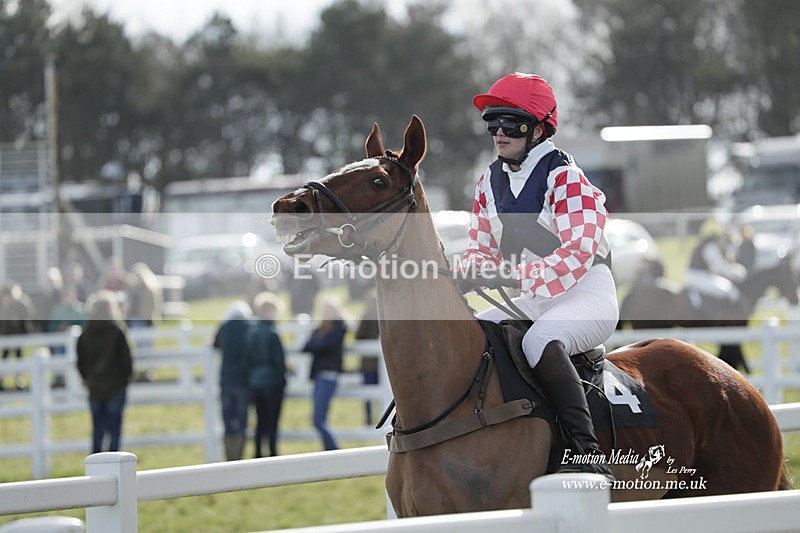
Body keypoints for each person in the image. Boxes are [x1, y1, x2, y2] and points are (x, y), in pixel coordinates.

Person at [460, 72, 617, 478]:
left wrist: (516, 276)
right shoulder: (487, 182)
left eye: (510, 122)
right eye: (492, 122)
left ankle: (587, 452)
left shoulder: (567, 177)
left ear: (539, 126)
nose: (498, 132)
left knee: (540, 338)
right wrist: (467, 270)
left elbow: (579, 250)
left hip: (587, 294)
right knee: (473, 332)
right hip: (531, 296)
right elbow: (480, 247)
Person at [76, 290, 133, 453]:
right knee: (115, 431)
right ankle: (115, 467)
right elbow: (126, 360)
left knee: (97, 431)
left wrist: (87, 379)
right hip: (115, 387)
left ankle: (95, 470)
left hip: (94, 388)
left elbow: (81, 362)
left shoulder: (85, 334)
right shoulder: (117, 331)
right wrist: (126, 380)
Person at [302, 298, 347, 451]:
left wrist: (318, 343)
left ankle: (334, 450)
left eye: (330, 310)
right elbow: (306, 346)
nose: (327, 314)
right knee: (319, 419)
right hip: (318, 376)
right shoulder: (320, 329)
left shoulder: (340, 328)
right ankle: (330, 450)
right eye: (325, 310)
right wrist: (318, 344)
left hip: (328, 377)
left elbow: (324, 345)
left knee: (318, 420)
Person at [246, 291, 287, 458]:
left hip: (256, 383)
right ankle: (272, 453)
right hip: (272, 383)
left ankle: (257, 453)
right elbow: (279, 361)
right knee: (272, 421)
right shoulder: (273, 333)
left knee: (260, 420)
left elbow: (247, 360)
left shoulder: (252, 332)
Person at [213, 300, 253, 461]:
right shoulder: (249, 327)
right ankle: (240, 456)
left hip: (226, 379)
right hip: (243, 380)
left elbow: (215, 345)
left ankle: (230, 456)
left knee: (228, 419)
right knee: (242, 419)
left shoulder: (224, 328)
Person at [684, 218, 747, 304]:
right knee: (731, 291)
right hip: (699, 277)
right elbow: (721, 268)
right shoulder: (710, 246)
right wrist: (737, 271)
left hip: (697, 276)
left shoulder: (705, 244)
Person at [0, 281, 35, 390]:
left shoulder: (20, 305)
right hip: (6, 336)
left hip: (18, 336)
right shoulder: (3, 307)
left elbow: (26, 320)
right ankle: (2, 380)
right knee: (5, 358)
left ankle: (19, 379)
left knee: (19, 357)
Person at [355, 290, 380, 426]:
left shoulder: (366, 316)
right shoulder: (384, 316)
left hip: (369, 365)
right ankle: (372, 419)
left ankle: (370, 420)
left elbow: (358, 336)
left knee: (369, 396)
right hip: (376, 365)